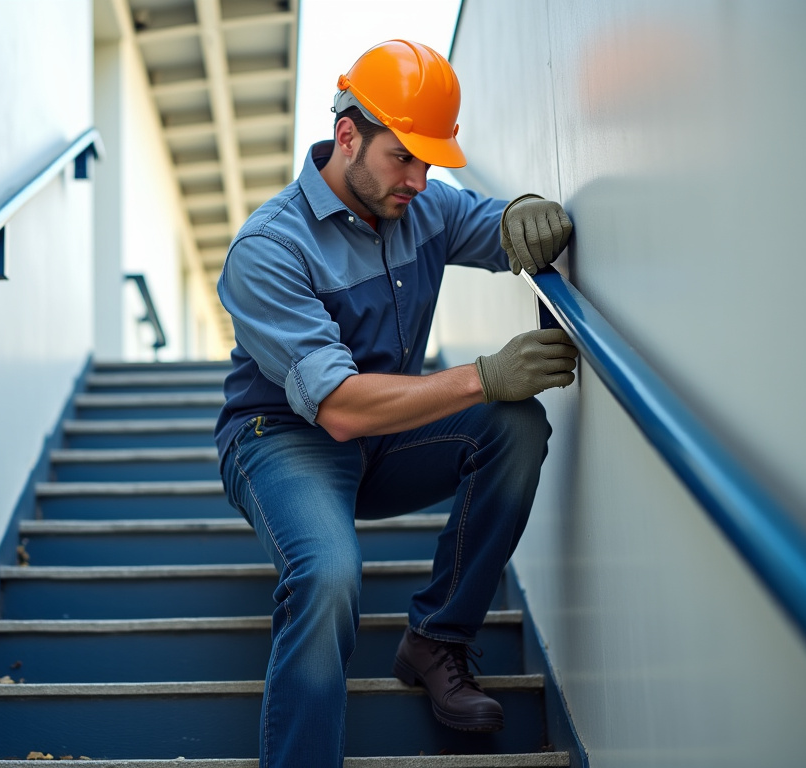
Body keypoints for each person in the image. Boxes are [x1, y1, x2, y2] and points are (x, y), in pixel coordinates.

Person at [214, 40, 579, 767]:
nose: (417, 179)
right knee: (326, 575)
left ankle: (437, 639)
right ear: (347, 134)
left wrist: (527, 212)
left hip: (390, 438)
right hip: (283, 438)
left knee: (514, 427)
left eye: (429, 162)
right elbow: (340, 408)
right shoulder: (269, 247)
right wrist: (484, 375)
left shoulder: (421, 205)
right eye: (402, 157)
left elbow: (500, 228)